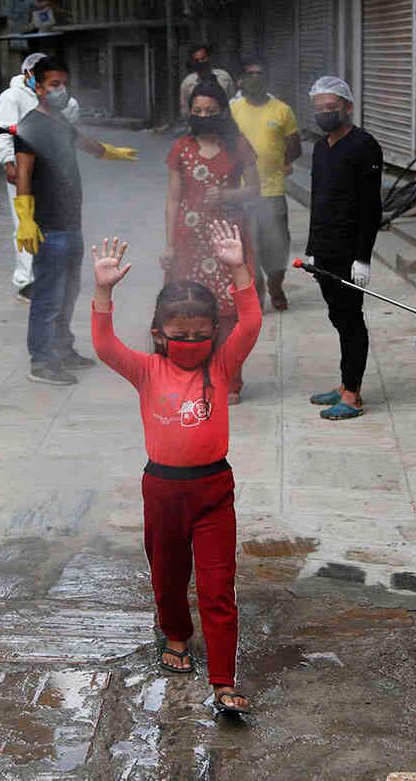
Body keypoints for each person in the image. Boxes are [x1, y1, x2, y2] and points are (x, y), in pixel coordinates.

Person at [91, 222, 261, 717]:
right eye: (179, 336)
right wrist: (103, 290)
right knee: (167, 575)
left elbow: (249, 325)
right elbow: (104, 346)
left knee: (218, 584)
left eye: (201, 336)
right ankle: (175, 636)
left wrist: (240, 271)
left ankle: (224, 679)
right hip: (162, 491)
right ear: (158, 334)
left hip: (214, 491)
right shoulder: (147, 370)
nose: (190, 342)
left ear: (215, 335)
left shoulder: (222, 368)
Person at [14, 56, 139, 386]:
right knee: (48, 296)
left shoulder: (60, 122)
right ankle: (41, 362)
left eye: (63, 84)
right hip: (49, 227)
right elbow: (23, 175)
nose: (61, 90)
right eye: (54, 85)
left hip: (71, 223)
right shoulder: (29, 127)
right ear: (37, 87)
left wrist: (112, 152)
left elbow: (87, 144)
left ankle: (63, 349)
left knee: (68, 293)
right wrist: (26, 219)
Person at [164, 82, 259, 403]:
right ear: (189, 112)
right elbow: (173, 200)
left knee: (230, 310)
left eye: (211, 111)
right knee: (189, 309)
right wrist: (169, 245)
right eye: (197, 111)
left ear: (223, 112)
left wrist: (230, 194)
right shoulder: (180, 147)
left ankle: (230, 381)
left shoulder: (238, 146)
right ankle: (190, 377)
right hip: (189, 241)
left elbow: (254, 189)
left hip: (226, 238)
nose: (203, 116)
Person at [305, 76, 382, 420]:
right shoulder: (322, 148)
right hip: (325, 248)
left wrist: (363, 258)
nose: (325, 114)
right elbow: (317, 200)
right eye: (319, 109)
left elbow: (371, 208)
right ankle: (345, 383)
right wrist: (311, 249)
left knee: (350, 320)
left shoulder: (364, 146)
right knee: (337, 317)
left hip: (349, 250)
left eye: (331, 108)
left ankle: (352, 396)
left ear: (348, 107)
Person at [0, 52, 81, 304]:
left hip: (53, 173)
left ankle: (52, 272)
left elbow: (70, 125)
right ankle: (26, 280)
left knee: (53, 222)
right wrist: (9, 163)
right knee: (25, 224)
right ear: (29, 75)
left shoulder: (60, 99)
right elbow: (1, 131)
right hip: (25, 169)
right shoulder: (13, 97)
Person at [230, 56, 302, 311]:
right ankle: (256, 295)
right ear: (241, 80)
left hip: (272, 191)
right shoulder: (233, 109)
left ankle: (275, 284)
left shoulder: (281, 110)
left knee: (278, 246)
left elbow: (295, 146)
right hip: (242, 192)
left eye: (260, 73)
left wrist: (281, 162)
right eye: (250, 74)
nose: (255, 78)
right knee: (250, 248)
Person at [179, 44, 234, 118]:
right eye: (197, 60)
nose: (200, 62)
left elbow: (233, 102)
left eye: (203, 58)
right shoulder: (187, 83)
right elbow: (185, 111)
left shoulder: (224, 77)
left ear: (209, 58)